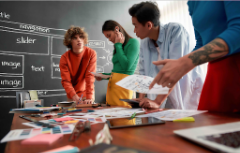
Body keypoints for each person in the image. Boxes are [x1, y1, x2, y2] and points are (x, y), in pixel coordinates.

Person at [150, 1, 240, 113]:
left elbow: (238, 30)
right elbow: (201, 43)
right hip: (217, 71)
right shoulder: (192, 3)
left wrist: (185, 62)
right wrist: (178, 65)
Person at [128, 2, 205, 109]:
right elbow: (143, 74)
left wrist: (157, 102)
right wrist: (141, 99)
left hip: (185, 89)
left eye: (135, 26)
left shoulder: (176, 31)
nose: (134, 30)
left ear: (149, 25)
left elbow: (175, 71)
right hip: (163, 93)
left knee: (188, 121)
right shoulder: (145, 42)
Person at [95, 20, 140, 107]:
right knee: (113, 119)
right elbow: (118, 71)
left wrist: (118, 45)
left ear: (116, 29)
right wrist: (103, 76)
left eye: (109, 35)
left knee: (124, 118)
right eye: (107, 37)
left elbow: (126, 67)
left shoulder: (133, 42)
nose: (109, 39)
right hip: (113, 91)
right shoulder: (118, 46)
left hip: (123, 90)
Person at [60, 26, 97, 105]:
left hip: (87, 94)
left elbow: (90, 76)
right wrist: (73, 95)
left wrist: (90, 96)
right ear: (70, 41)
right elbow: (66, 81)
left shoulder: (91, 53)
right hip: (72, 96)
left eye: (81, 37)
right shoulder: (64, 58)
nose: (79, 40)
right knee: (73, 116)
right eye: (75, 38)